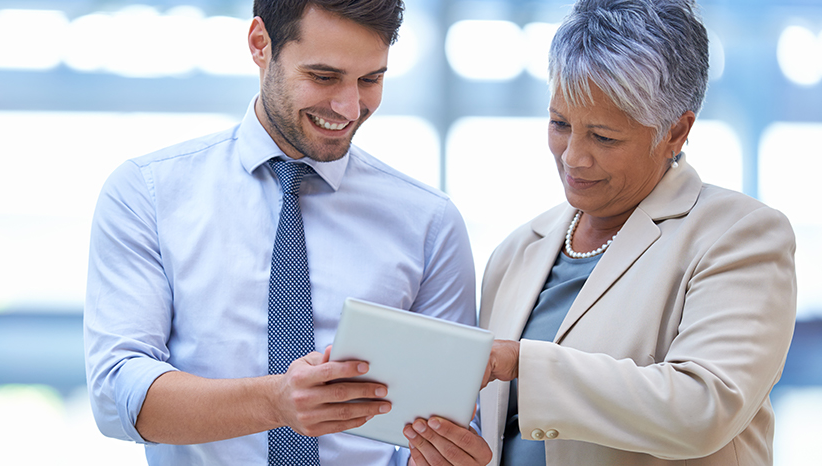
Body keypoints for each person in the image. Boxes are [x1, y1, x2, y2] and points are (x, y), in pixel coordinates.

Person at [402, 0, 797, 465]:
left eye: (604, 137)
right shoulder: (516, 252)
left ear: (676, 132)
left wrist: (520, 364)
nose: (572, 157)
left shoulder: (739, 236)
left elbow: (703, 408)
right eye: (559, 124)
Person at [83, 0, 478, 464]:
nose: (350, 107)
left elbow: (446, 418)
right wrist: (276, 403)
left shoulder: (429, 222)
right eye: (324, 76)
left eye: (371, 79)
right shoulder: (148, 194)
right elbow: (117, 394)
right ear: (260, 45)